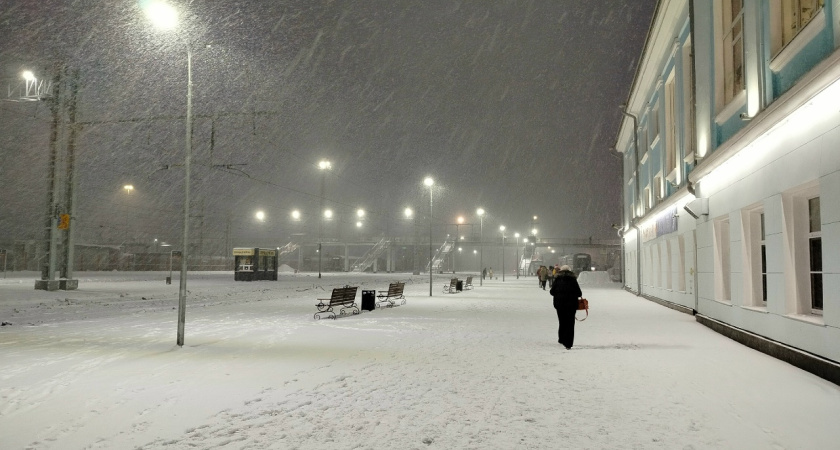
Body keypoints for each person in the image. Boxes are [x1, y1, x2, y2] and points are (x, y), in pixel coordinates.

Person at [549, 264, 583, 349]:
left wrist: (559, 294)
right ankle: (569, 343)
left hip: (559, 304)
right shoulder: (573, 280)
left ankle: (561, 339)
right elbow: (579, 293)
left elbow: (552, 292)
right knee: (570, 323)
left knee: (562, 321)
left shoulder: (557, 279)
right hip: (571, 305)